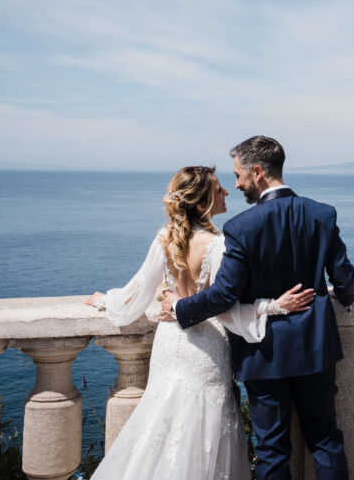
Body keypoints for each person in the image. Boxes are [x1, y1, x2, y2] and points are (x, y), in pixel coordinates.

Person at [83, 165, 315, 480]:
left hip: (170, 344)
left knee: (160, 423)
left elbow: (137, 291)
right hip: (205, 350)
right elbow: (226, 308)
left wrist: (106, 301)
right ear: (203, 205)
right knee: (204, 430)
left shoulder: (165, 237)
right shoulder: (220, 245)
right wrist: (273, 306)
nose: (227, 192)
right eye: (219, 190)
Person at [162, 136, 354, 480]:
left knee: (271, 450)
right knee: (325, 440)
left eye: (239, 176)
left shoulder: (241, 228)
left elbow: (224, 295)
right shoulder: (321, 214)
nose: (236, 184)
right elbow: (343, 278)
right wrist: (345, 296)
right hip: (315, 348)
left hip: (263, 353)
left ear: (258, 172)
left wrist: (180, 308)